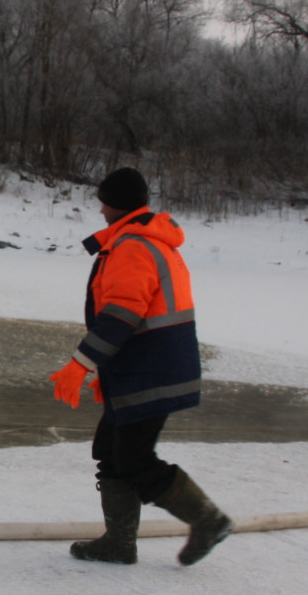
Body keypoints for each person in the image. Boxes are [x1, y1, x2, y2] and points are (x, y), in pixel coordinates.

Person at [51, 167, 233, 566]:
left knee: (133, 458)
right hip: (144, 367)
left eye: (103, 202)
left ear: (114, 204)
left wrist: (81, 364)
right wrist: (108, 372)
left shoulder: (132, 245)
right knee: (110, 451)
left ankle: (208, 520)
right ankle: (119, 542)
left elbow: (121, 314)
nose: (100, 209)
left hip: (151, 370)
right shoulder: (144, 240)